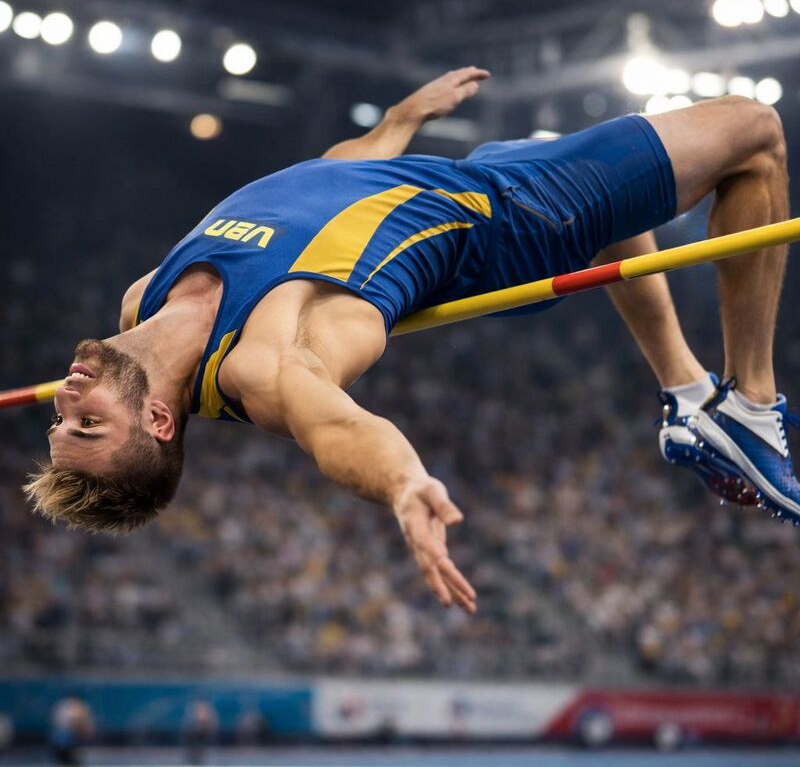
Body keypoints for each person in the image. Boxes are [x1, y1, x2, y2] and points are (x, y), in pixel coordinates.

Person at [24, 65, 796, 615]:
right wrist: (403, 485)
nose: (66, 400)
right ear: (160, 421)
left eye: (60, 421)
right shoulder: (260, 362)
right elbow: (335, 425)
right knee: (753, 133)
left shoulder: (142, 300)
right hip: (516, 217)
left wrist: (395, 125)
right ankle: (750, 405)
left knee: (617, 195)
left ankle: (687, 394)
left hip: (463, 174)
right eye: (88, 424)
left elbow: (309, 195)